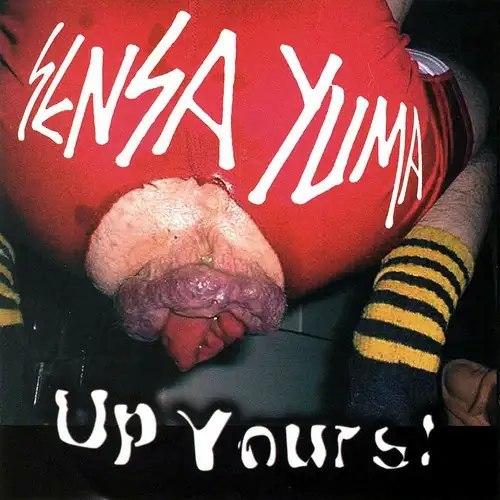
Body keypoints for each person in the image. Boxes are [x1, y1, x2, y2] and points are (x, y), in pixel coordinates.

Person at [0, 0, 496, 423]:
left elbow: (474, 129)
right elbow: (476, 134)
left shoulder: (381, 183)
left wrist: (399, 354)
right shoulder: (381, 184)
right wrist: (400, 343)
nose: (189, 356)